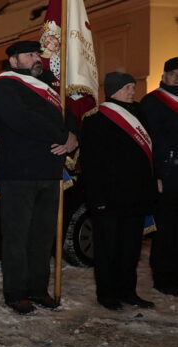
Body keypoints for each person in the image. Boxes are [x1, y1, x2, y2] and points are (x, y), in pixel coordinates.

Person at [0, 40, 78, 315]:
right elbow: (22, 118)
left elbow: (69, 117)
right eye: (29, 55)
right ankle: (16, 293)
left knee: (42, 236)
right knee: (17, 237)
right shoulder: (5, 86)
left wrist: (73, 137)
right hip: (18, 174)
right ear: (14, 61)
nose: (37, 58)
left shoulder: (50, 88)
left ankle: (38, 289)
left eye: (38, 53)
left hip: (49, 173)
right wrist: (61, 135)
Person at [81, 72, 157, 310]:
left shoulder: (139, 113)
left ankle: (128, 291)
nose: (132, 91)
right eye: (127, 87)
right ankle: (107, 294)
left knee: (130, 249)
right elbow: (92, 164)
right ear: (113, 89)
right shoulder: (96, 119)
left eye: (133, 87)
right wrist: (98, 199)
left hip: (136, 196)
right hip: (109, 198)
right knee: (107, 249)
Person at [143, 57, 178, 296]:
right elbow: (149, 142)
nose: (176, 77)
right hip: (167, 174)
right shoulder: (153, 102)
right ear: (164, 75)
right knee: (167, 228)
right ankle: (163, 276)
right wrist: (156, 174)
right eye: (173, 73)